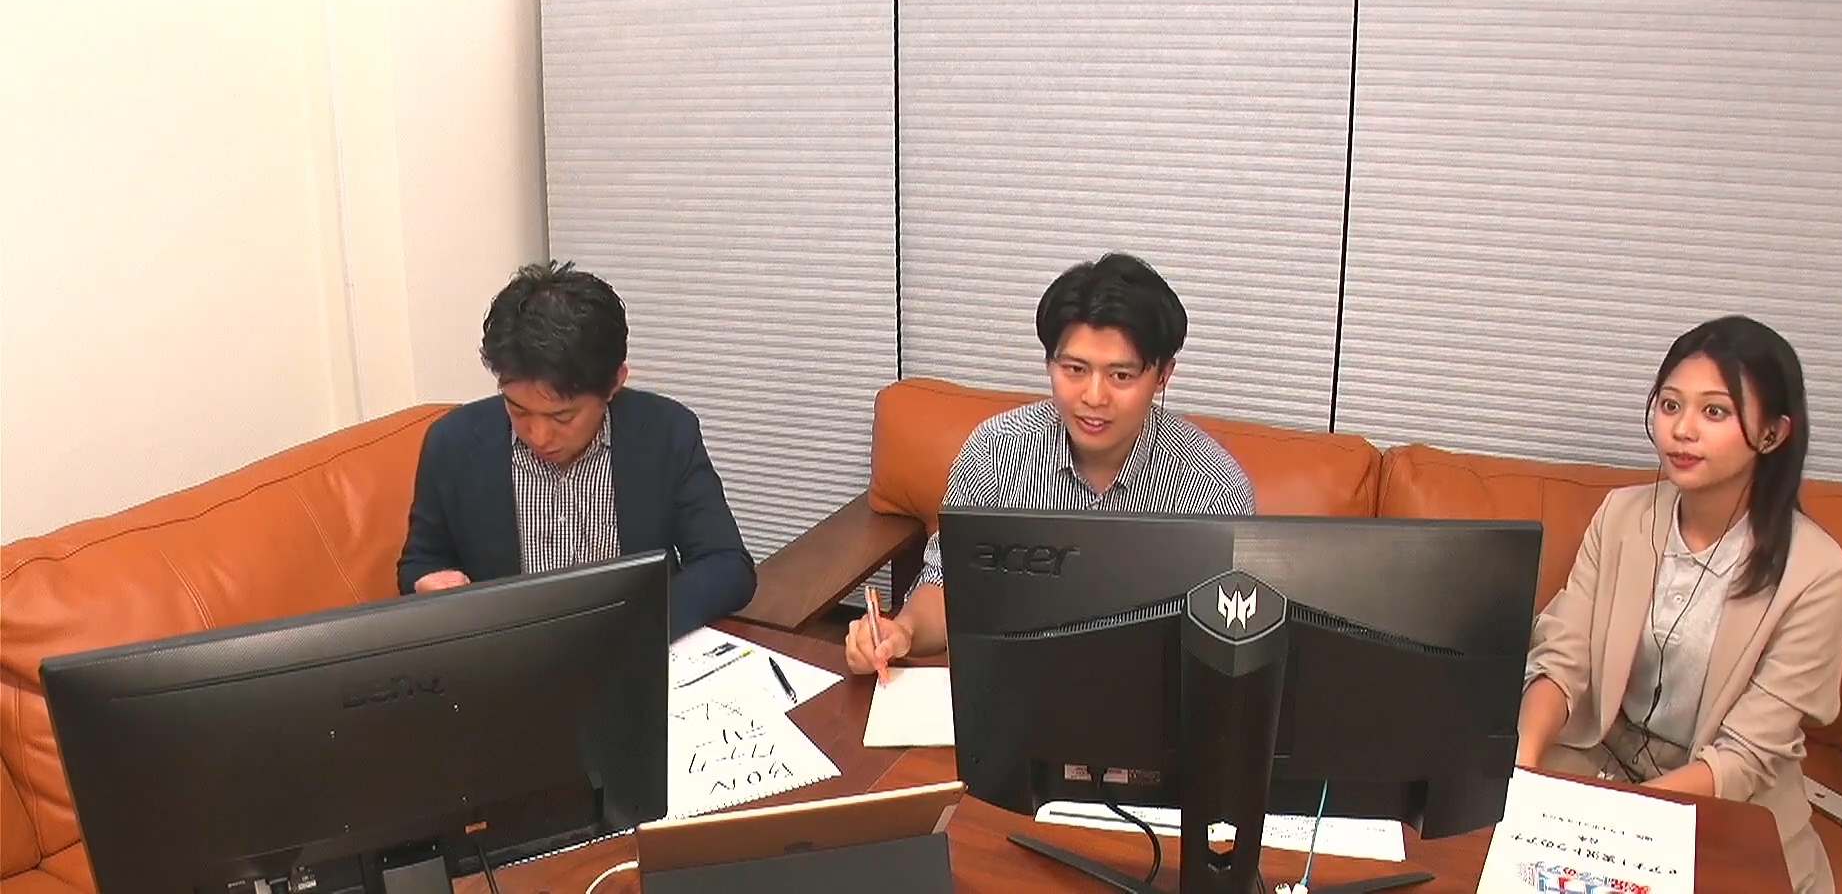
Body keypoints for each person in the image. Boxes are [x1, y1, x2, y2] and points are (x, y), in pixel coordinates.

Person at [1516, 316, 1842, 894]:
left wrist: (1609, 823)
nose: (1682, 430)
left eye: (1714, 412)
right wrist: (1524, 766)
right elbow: (1563, 657)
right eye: (1670, 405)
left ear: (1773, 434)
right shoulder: (1621, 516)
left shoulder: (1817, 573)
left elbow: (1744, 759)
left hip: (1722, 801)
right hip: (1597, 764)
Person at [845, 252, 1256, 676]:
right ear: (1049, 363)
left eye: (1121, 376)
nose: (1094, 397)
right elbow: (951, 582)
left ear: (1163, 374)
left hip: (1148, 689)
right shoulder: (994, 451)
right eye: (1074, 368)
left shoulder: (1215, 490)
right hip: (1016, 683)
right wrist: (903, 631)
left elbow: (1226, 639)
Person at [396, 261, 756, 638]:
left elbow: (727, 564)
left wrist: (640, 622)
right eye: (518, 410)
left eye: (562, 417)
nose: (539, 435)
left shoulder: (666, 433)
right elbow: (420, 561)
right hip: (513, 651)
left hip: (633, 643)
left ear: (614, 383)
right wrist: (430, 581)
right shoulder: (452, 444)